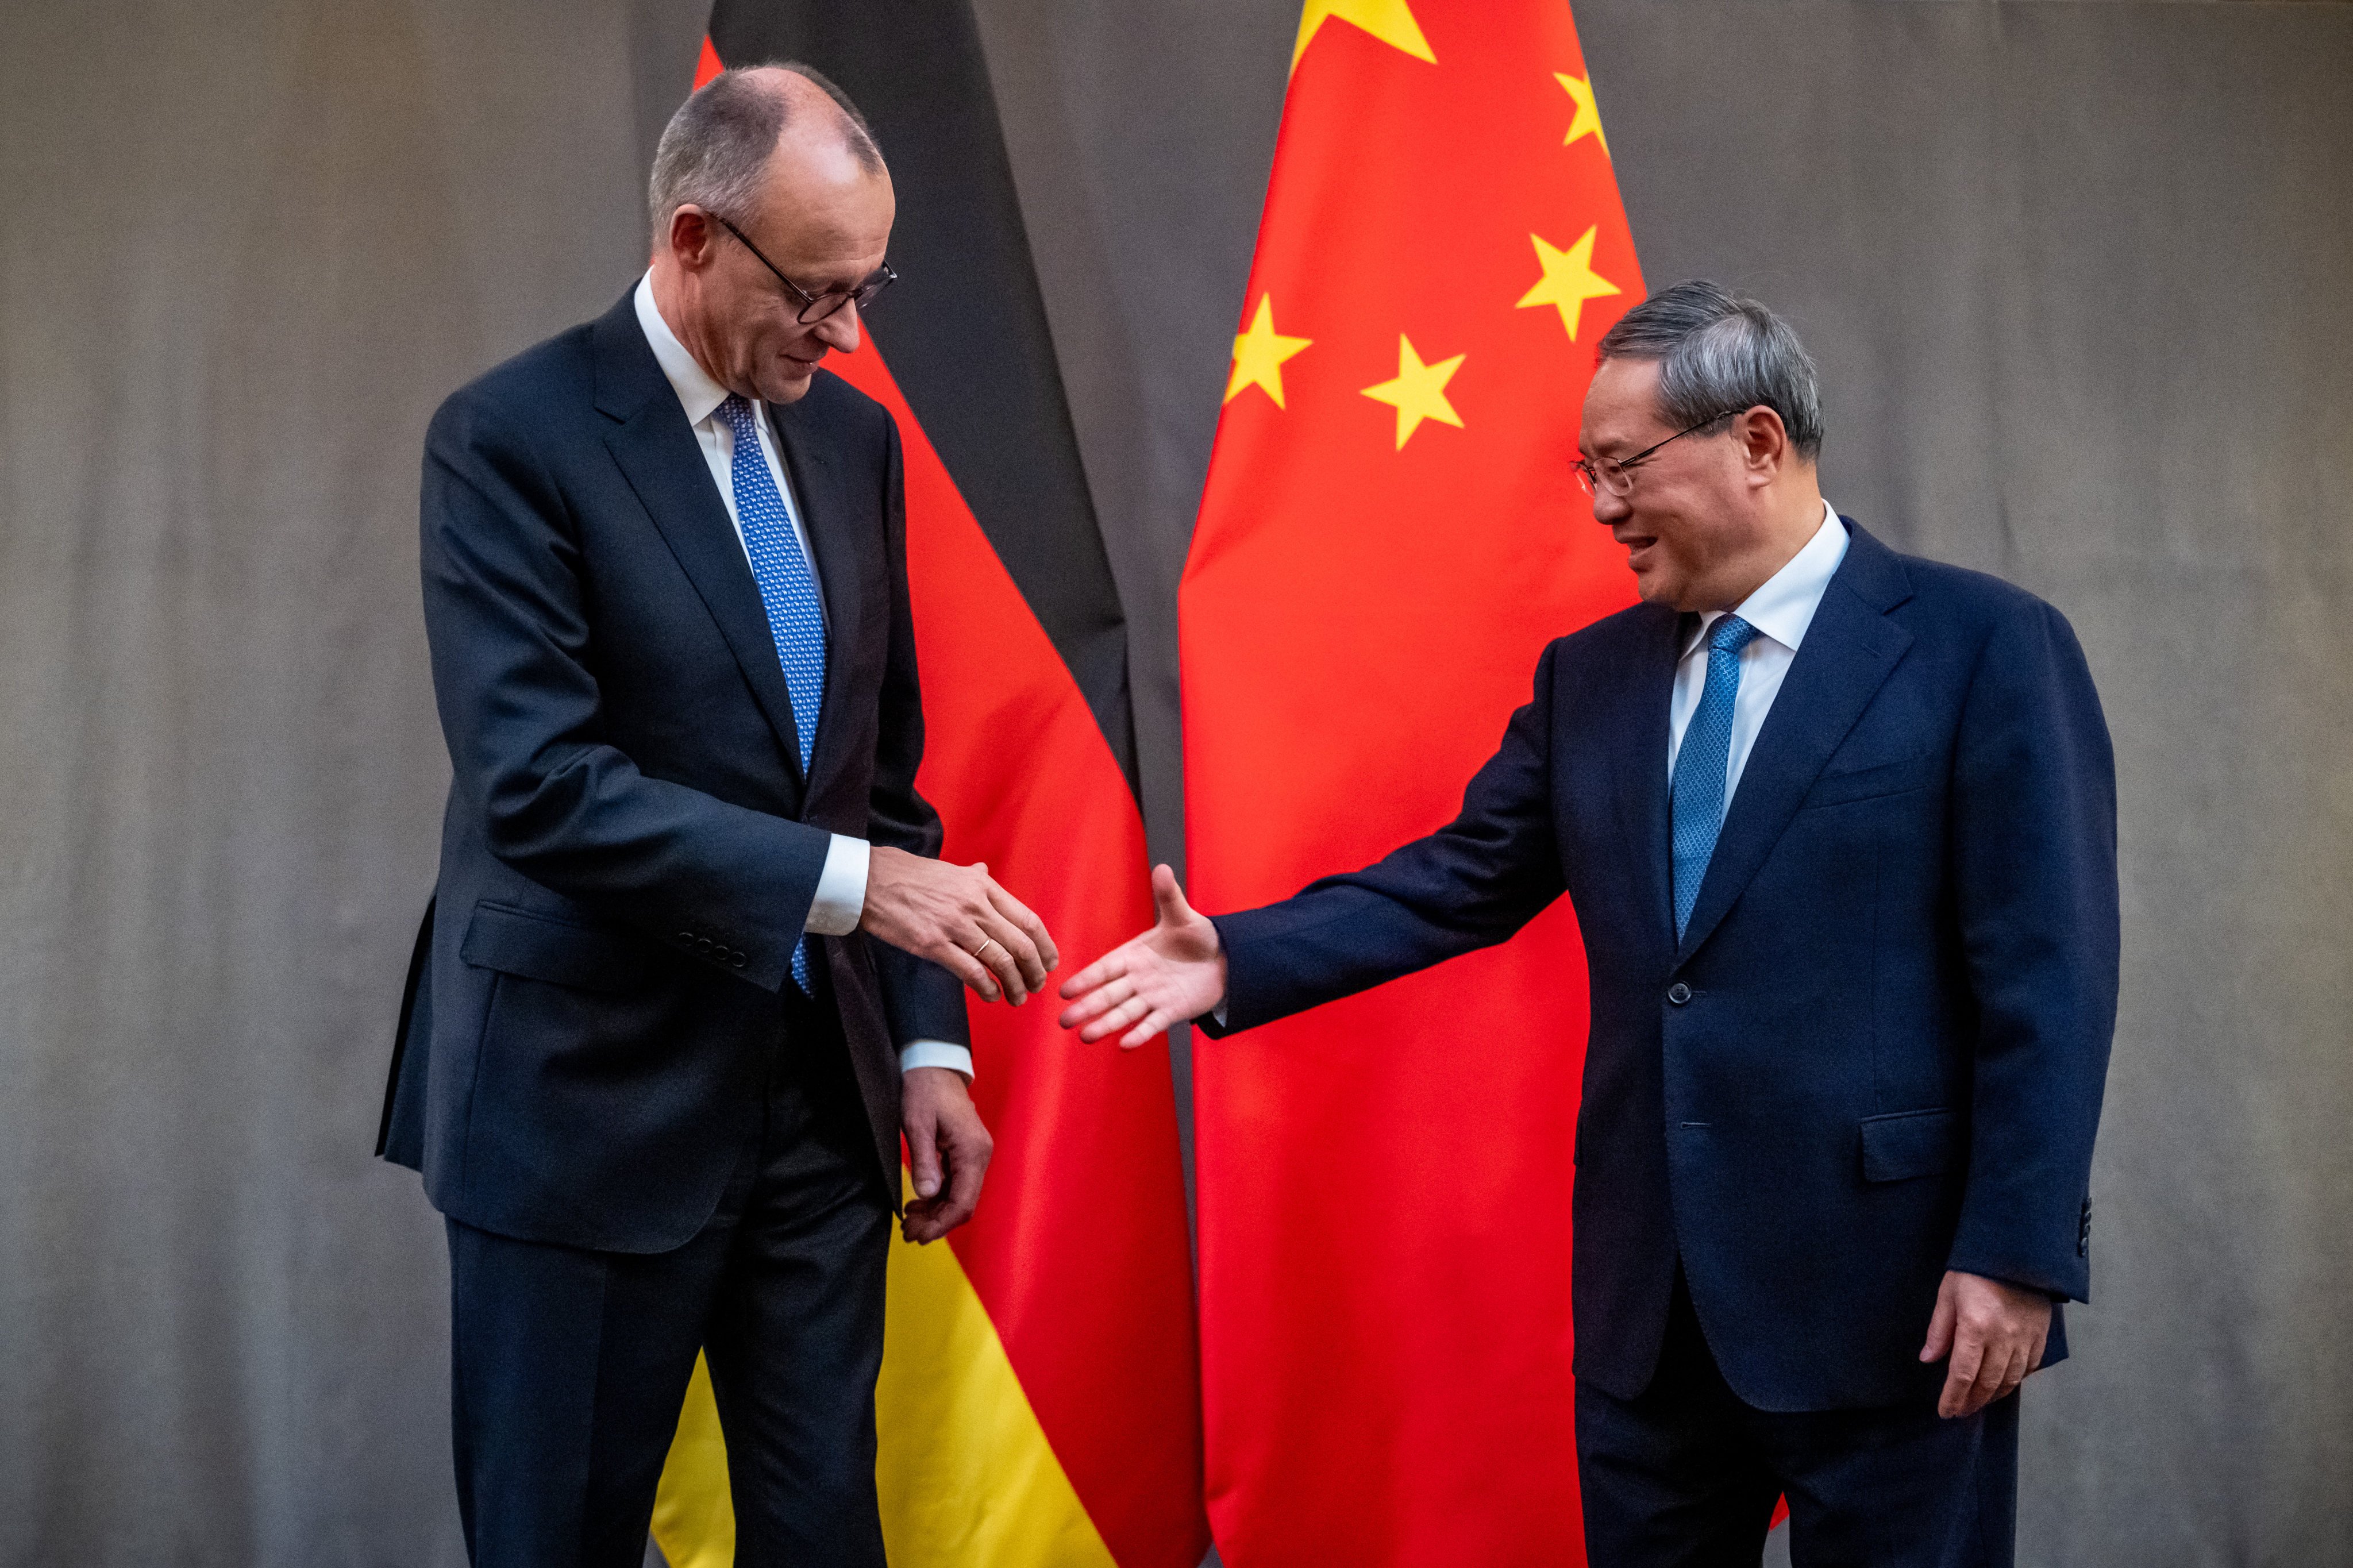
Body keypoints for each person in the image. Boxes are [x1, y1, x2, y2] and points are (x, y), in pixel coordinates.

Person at [1060, 282, 2116, 1565]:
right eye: (1587, 472)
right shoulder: (1590, 678)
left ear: (1757, 445)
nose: (1603, 506)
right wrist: (1238, 953)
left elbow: (2047, 979)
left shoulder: (1981, 647)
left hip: (1893, 1299)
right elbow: (1459, 879)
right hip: (1648, 1309)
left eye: (1623, 467)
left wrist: (2013, 1252)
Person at [377, 64, 1058, 1567]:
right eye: (819, 293)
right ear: (694, 240)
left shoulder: (852, 444)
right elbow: (542, 789)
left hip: (816, 1102)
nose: (850, 333)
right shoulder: (510, 439)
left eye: (869, 287)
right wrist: (859, 888)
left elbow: (878, 783)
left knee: (826, 1533)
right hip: (582, 1108)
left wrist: (930, 1042)